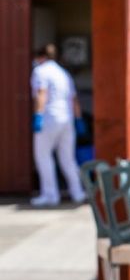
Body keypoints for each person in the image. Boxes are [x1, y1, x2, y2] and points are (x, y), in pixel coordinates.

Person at [30, 44, 86, 206]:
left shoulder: (40, 71)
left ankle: (50, 195)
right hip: (67, 119)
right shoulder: (64, 73)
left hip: (49, 118)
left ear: (40, 57)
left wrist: (38, 116)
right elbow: (74, 100)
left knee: (43, 156)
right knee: (68, 158)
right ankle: (78, 193)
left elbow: (42, 94)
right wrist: (79, 119)